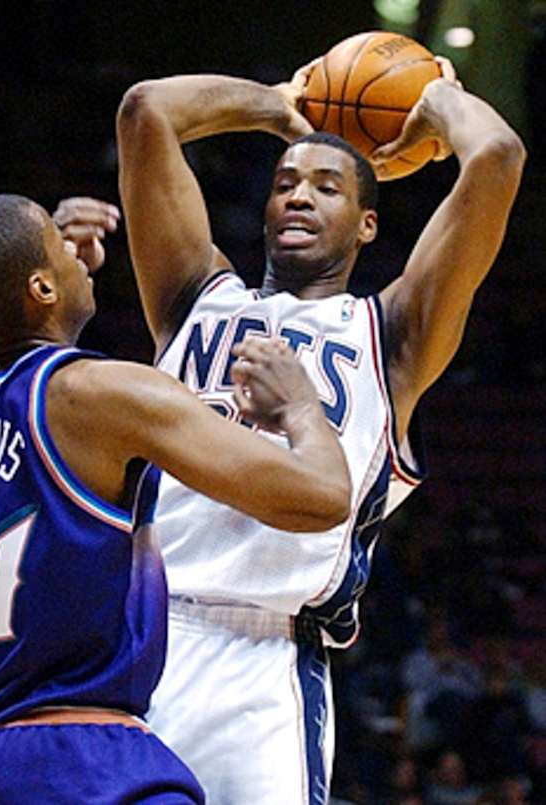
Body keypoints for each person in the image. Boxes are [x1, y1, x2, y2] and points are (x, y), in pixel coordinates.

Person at [60, 53, 525, 805]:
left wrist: (434, 98)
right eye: (285, 183)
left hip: (264, 657)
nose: (299, 196)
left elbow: (498, 156)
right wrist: (280, 107)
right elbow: (147, 110)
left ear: (368, 223)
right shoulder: (194, 297)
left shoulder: (393, 334)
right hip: (139, 633)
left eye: (326, 186)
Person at [0, 193, 352, 804]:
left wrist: (7, 278)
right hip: (70, 752)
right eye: (60, 251)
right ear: (42, 288)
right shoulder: (101, 395)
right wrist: (300, 405)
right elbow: (322, 498)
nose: (80, 260)